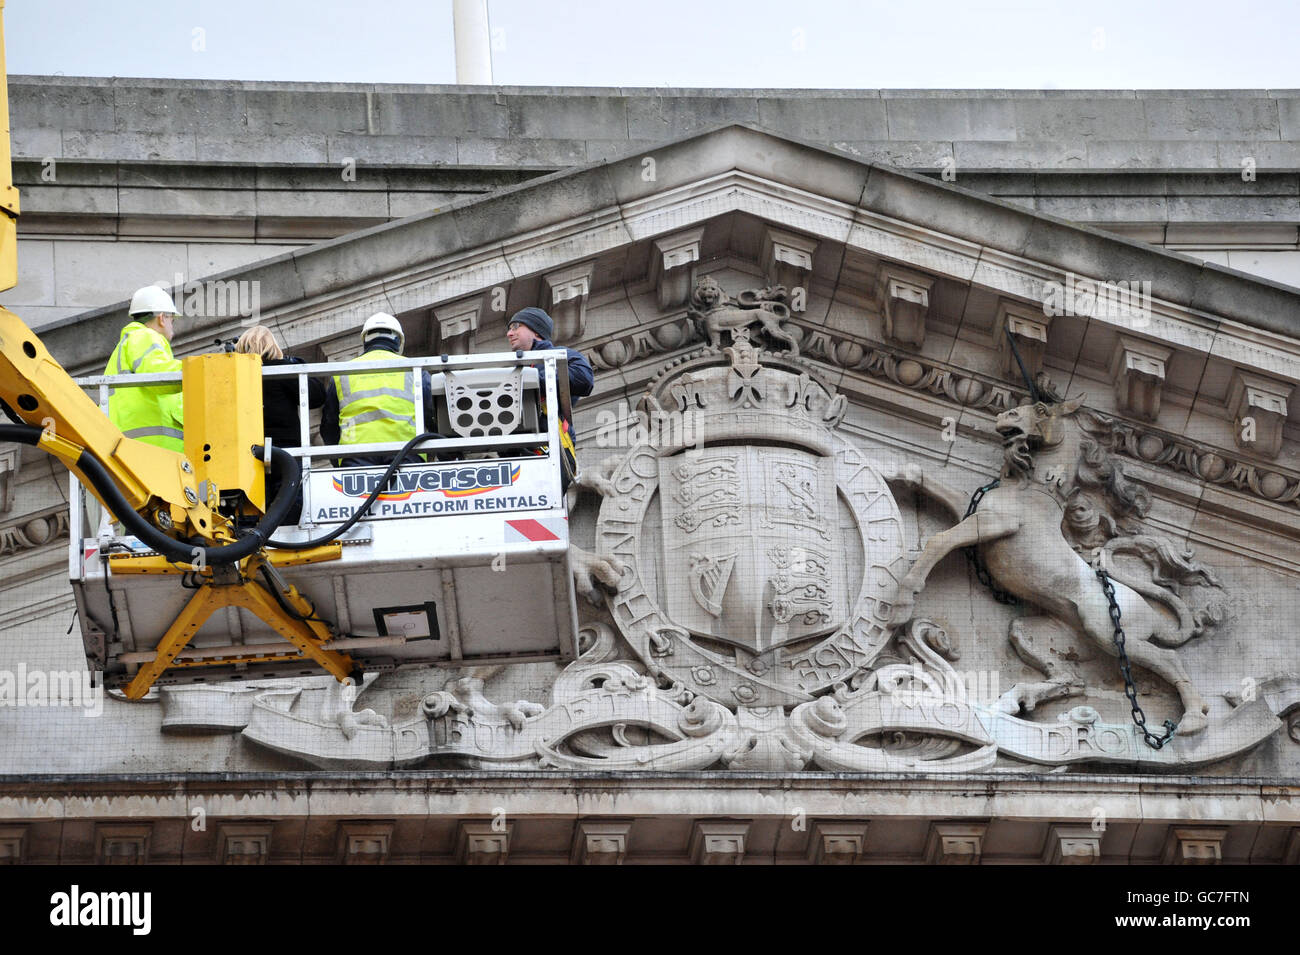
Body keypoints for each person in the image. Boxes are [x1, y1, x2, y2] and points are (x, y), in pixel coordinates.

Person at [321, 312, 437, 468]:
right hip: (405, 452)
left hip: (355, 455)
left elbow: (329, 426)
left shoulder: (343, 374)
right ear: (398, 341)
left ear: (366, 341)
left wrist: (338, 459)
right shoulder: (414, 369)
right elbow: (433, 414)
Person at [235, 325, 325, 523]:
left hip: (247, 453)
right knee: (289, 500)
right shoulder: (284, 370)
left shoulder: (235, 375)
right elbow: (317, 395)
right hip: (286, 451)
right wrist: (296, 364)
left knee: (250, 504)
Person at [505, 307, 595, 487]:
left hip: (554, 452)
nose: (509, 333)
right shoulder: (517, 368)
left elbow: (585, 379)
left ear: (536, 330)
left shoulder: (560, 356)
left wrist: (535, 380)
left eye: (515, 326)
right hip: (523, 452)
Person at [104, 286, 184, 452]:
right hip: (153, 448)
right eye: (172, 320)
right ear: (162, 318)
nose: (172, 326)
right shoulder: (145, 336)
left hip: (133, 447)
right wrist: (200, 368)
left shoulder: (128, 344)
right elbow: (159, 374)